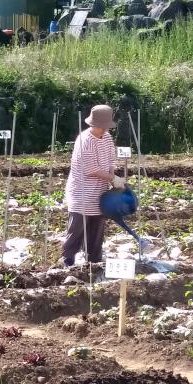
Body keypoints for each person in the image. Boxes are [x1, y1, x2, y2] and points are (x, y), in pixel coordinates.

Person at [62, 104, 125, 266]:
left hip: (99, 191)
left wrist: (112, 178)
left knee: (97, 229)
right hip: (81, 191)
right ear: (94, 124)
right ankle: (68, 261)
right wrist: (112, 178)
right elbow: (91, 169)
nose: (105, 129)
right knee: (77, 228)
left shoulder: (107, 138)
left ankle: (94, 262)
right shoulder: (84, 140)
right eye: (103, 126)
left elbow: (111, 160)